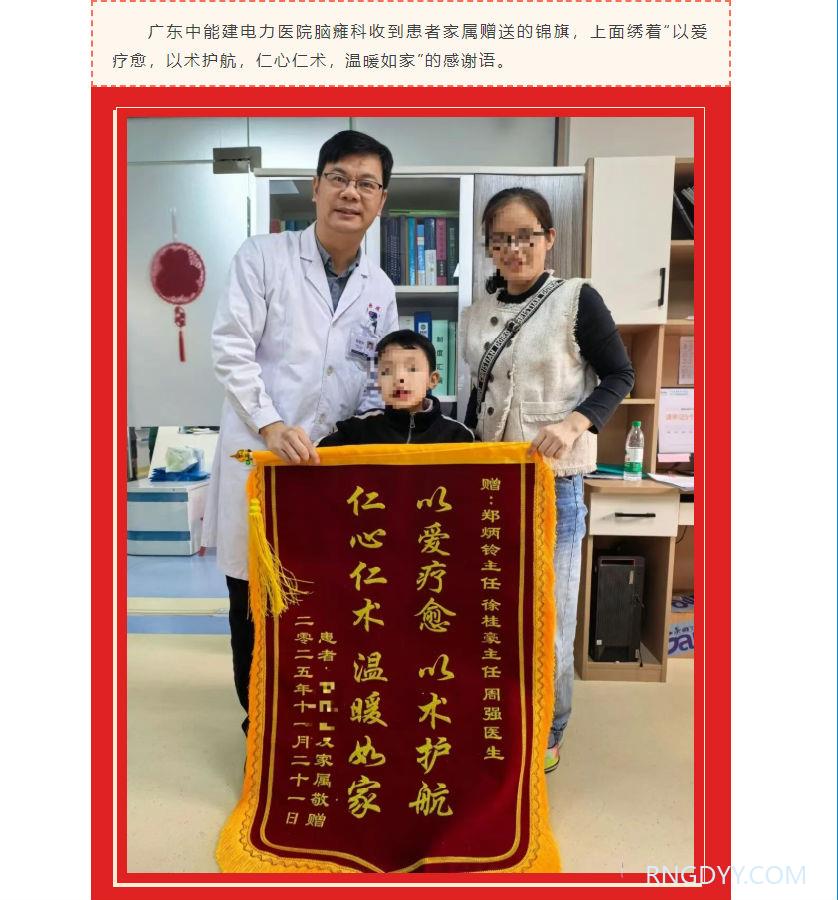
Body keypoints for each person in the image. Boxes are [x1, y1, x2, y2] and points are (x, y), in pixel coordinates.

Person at [201, 130, 399, 733]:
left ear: (381, 201)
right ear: (315, 188)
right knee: (255, 601)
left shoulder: (379, 289)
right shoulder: (263, 257)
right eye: (338, 178)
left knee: (323, 599)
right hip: (259, 455)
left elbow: (378, 376)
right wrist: (270, 422)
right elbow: (231, 348)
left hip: (329, 471)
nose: (350, 193)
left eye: (366, 183)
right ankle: (260, 726)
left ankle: (311, 720)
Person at [461, 187, 635, 772]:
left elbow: (620, 375)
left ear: (549, 238)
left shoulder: (576, 299)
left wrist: (576, 422)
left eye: (525, 237)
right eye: (501, 240)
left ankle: (550, 728)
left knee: (550, 615)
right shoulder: (476, 315)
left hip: (554, 483)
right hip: (490, 485)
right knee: (493, 609)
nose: (514, 249)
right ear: (489, 247)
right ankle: (500, 718)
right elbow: (477, 399)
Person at [317, 330, 475, 447]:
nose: (399, 378)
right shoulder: (356, 430)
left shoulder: (457, 435)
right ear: (378, 382)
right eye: (387, 371)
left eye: (412, 369)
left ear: (432, 380)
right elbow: (314, 456)